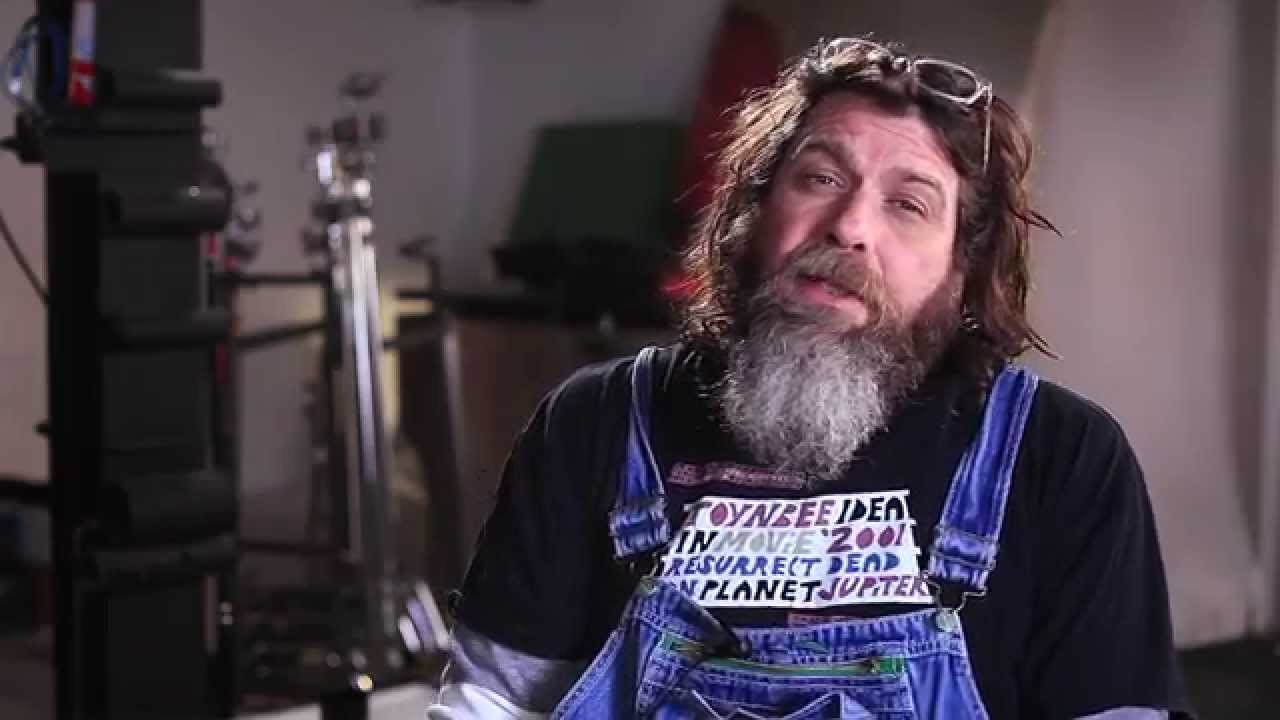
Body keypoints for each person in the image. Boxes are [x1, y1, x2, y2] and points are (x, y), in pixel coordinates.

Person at [428, 36, 1192, 720]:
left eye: (908, 204)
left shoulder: (1060, 457)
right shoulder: (595, 422)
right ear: (755, 211)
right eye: (821, 178)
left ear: (962, 270)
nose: (850, 226)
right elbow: (488, 705)